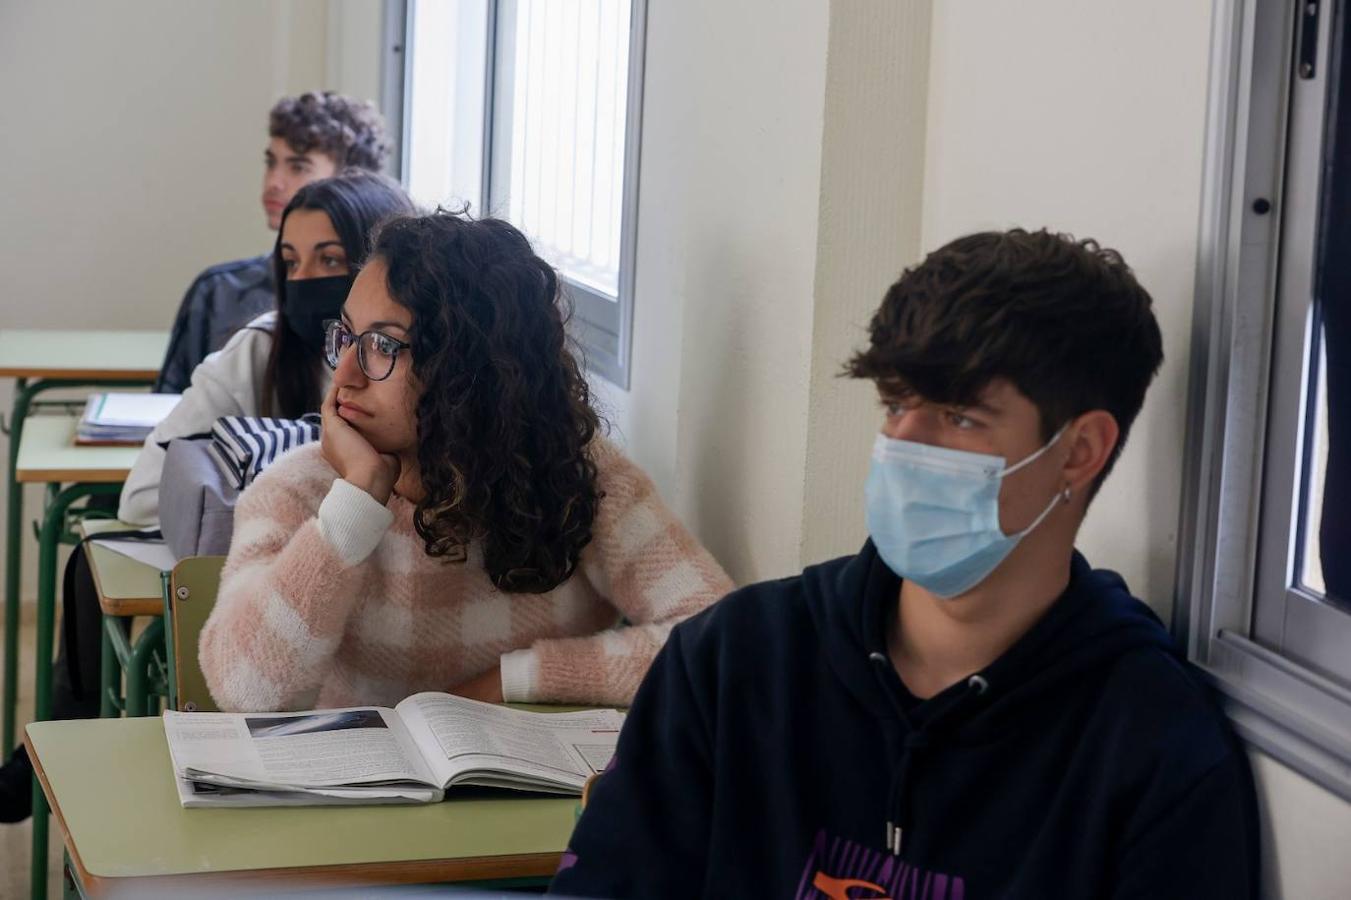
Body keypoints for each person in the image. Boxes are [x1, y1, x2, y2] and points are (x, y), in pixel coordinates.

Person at [552, 230, 1260, 898]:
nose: (901, 441)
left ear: (1077, 452)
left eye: (958, 417)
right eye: (894, 404)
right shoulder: (736, 659)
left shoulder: (1152, 746)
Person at [0, 171, 414, 823]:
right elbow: (142, 493)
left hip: (399, 617)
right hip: (283, 594)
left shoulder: (431, 366)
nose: (307, 281)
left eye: (331, 260)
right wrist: (283, 484)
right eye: (290, 262)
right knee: (90, 563)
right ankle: (53, 759)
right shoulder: (260, 348)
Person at [199, 210, 734, 712]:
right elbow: (245, 690)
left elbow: (723, 643)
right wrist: (357, 500)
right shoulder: (297, 490)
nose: (345, 377)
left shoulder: (572, 473)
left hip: (521, 800)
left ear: (469, 370)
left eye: (383, 345)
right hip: (357, 801)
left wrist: (518, 678)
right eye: (346, 338)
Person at [155, 91, 391, 394]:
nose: (273, 182)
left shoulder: (387, 308)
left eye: (298, 167)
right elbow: (166, 408)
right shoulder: (218, 290)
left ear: (352, 181)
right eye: (271, 163)